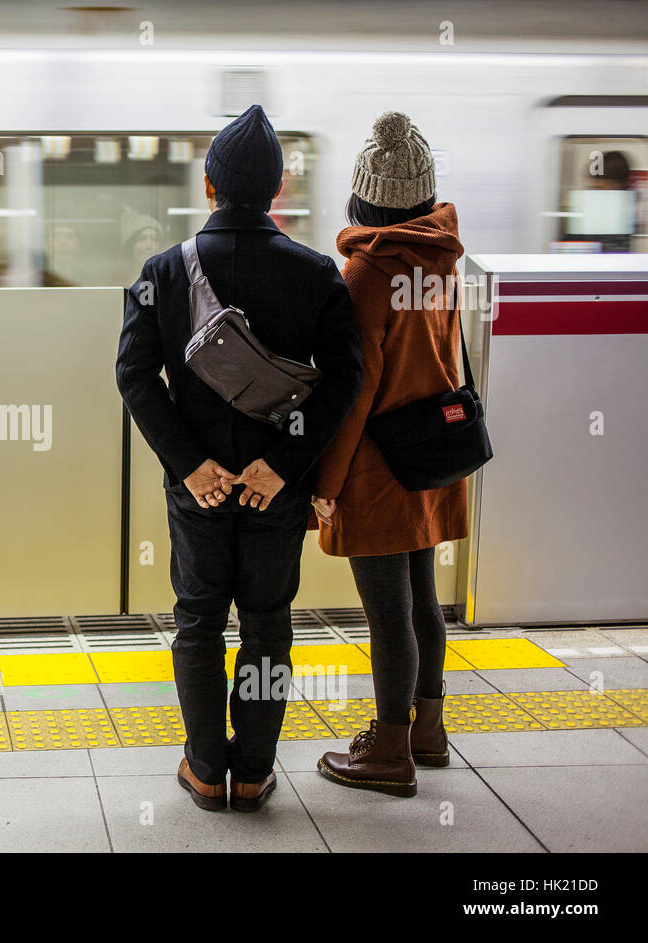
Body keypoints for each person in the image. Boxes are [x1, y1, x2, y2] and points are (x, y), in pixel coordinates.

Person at [116, 105, 363, 813]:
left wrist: (191, 462)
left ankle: (203, 768)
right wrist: (283, 463)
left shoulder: (162, 272)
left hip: (198, 490)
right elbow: (346, 377)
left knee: (198, 619)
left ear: (209, 186)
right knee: (267, 624)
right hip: (272, 491)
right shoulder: (317, 274)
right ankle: (252, 771)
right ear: (278, 187)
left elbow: (134, 375)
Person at [312, 112, 468, 797]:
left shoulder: (367, 275)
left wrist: (325, 481)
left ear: (363, 197)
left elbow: (355, 392)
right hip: (431, 454)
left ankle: (389, 748)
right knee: (423, 598)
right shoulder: (443, 260)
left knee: (388, 613)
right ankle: (428, 726)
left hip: (378, 468)